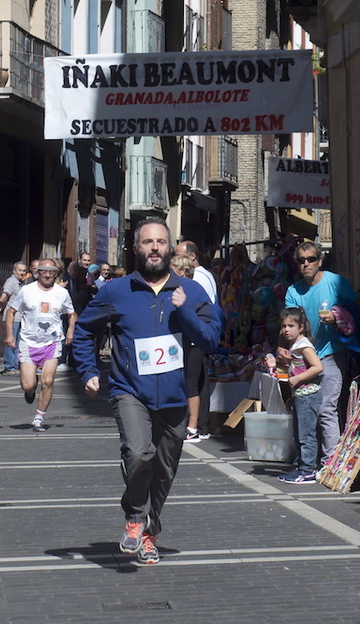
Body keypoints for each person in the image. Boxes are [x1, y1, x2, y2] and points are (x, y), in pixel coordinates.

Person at [71, 217, 222, 565]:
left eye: (160, 242)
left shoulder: (191, 292)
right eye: (147, 242)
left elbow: (211, 340)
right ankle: (136, 518)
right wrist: (88, 370)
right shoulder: (116, 291)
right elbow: (84, 330)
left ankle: (151, 532)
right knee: (140, 454)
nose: (154, 248)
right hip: (129, 390)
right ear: (136, 248)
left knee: (164, 471)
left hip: (174, 395)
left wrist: (184, 310)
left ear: (170, 248)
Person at [283, 241, 358, 464]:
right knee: (306, 410)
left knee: (326, 409)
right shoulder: (293, 291)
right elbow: (288, 323)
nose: (306, 264)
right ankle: (307, 461)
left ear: (320, 261)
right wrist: (281, 346)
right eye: (301, 260)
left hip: (332, 352)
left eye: (311, 259)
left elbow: (358, 309)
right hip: (305, 357)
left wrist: (339, 317)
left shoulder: (336, 282)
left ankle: (330, 462)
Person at [4, 259, 76, 432]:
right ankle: (30, 390)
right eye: (44, 271)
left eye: (52, 272)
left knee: (48, 381)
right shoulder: (26, 291)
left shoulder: (62, 293)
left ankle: (39, 418)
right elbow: (11, 311)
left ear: (56, 274)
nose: (48, 275)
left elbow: (72, 314)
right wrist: (9, 335)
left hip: (52, 342)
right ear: (38, 272)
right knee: (27, 385)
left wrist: (70, 331)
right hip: (29, 342)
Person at [267, 308, 323, 484]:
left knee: (306, 434)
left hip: (308, 395)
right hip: (299, 394)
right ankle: (301, 466)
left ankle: (308, 470)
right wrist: (276, 365)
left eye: (291, 326)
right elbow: (294, 367)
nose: (286, 330)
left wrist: (298, 378)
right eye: (284, 326)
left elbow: (317, 367)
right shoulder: (294, 347)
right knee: (299, 433)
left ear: (300, 327)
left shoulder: (304, 346)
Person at [175, 241, 218, 442]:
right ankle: (200, 425)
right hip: (192, 339)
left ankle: (195, 427)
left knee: (192, 383)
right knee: (196, 382)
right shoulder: (192, 282)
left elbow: (205, 310)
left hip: (195, 339)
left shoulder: (197, 283)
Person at [0, 262, 28, 376]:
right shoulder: (11, 282)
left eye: (24, 271)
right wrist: (2, 308)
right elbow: (3, 298)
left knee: (19, 342)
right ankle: (9, 366)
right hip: (12, 317)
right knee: (11, 341)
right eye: (20, 270)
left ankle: (15, 365)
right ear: (14, 271)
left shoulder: (21, 283)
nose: (22, 273)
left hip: (20, 317)